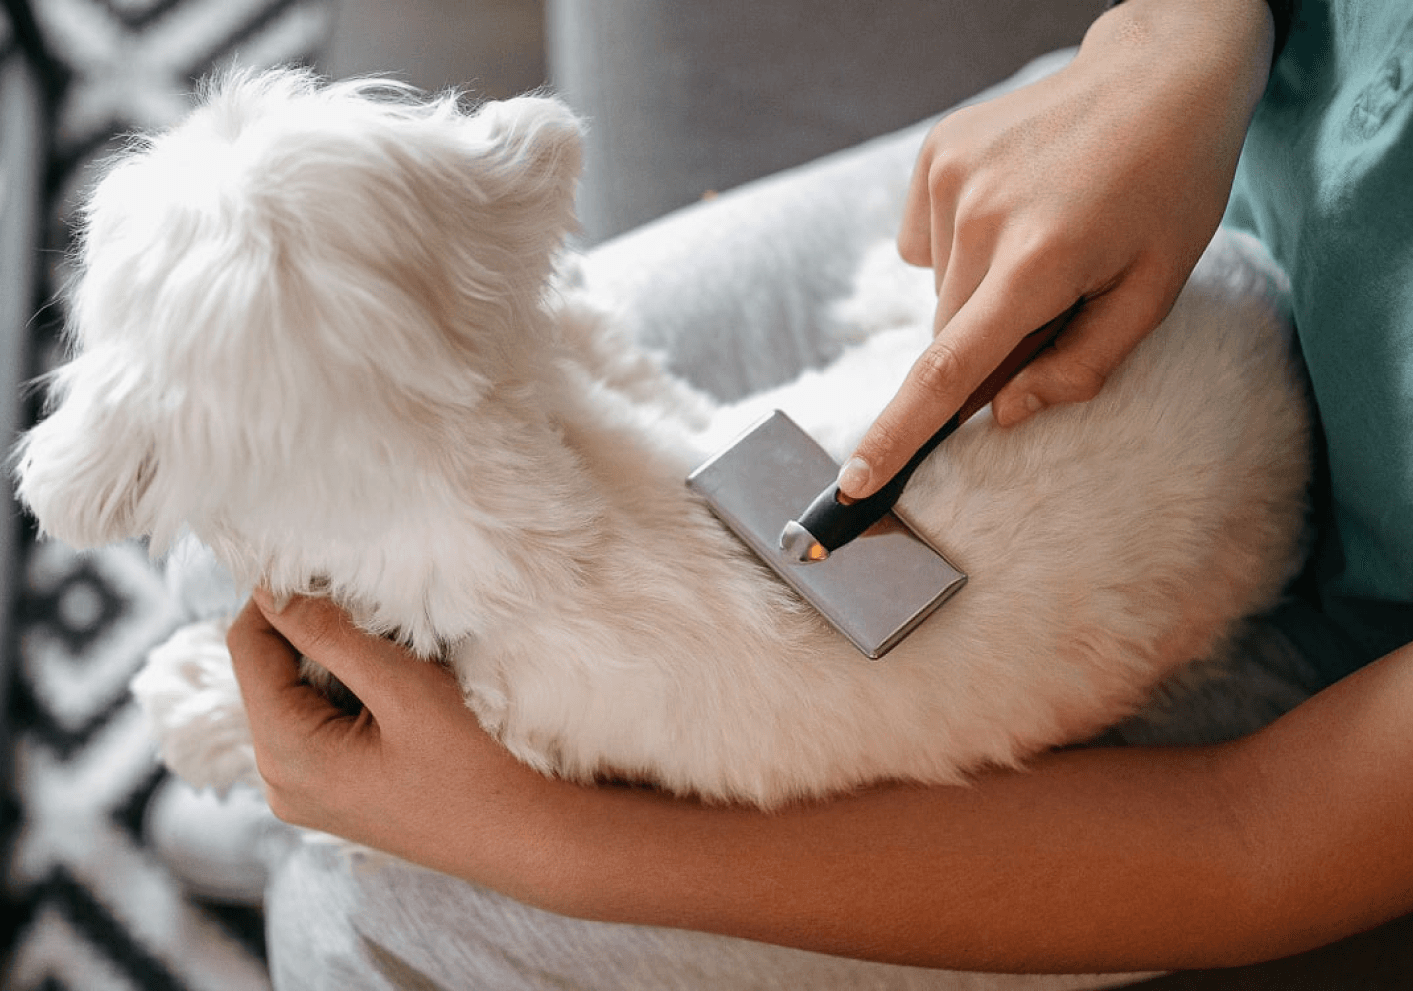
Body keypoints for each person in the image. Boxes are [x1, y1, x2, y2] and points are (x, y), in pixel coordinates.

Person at [229, 0, 1413, 983]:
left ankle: (265, 811)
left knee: (354, 921)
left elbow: (1250, 834)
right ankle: (251, 778)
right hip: (1136, 165)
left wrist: (552, 844)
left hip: (1289, 623)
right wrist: (1184, 32)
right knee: (254, 493)